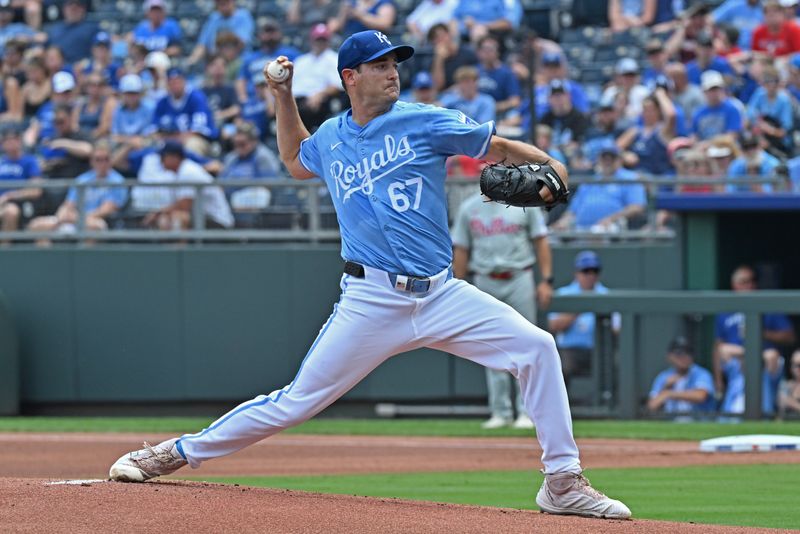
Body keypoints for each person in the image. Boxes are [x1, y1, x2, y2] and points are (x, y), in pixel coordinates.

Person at [109, 30, 631, 521]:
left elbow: (499, 148)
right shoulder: (333, 136)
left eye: (394, 64)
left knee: (537, 347)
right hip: (370, 299)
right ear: (349, 77)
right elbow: (294, 159)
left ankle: (562, 483)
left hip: (441, 293)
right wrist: (283, 95)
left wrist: (553, 164)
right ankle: (169, 454)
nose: (391, 72)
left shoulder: (426, 120)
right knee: (294, 402)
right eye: (378, 65)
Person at [451, 193, 553, 430]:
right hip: (485, 278)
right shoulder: (469, 207)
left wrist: (547, 280)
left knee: (526, 343)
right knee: (491, 345)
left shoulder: (524, 203)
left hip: (519, 276)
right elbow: (462, 249)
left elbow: (541, 240)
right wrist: (458, 285)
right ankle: (500, 411)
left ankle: (526, 412)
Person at [714, 265, 796, 415]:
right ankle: (731, 413)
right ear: (735, 285)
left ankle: (765, 412)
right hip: (736, 361)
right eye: (744, 282)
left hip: (765, 361)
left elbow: (789, 336)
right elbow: (718, 347)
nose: (749, 285)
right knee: (726, 352)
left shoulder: (768, 307)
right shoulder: (725, 311)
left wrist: (761, 333)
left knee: (770, 356)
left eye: (752, 281)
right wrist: (718, 382)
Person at [27, 141, 127, 242]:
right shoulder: (82, 179)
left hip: (96, 221)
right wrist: (61, 217)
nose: (102, 163)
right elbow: (68, 205)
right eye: (98, 160)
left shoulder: (117, 181)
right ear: (91, 161)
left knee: (94, 227)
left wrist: (77, 218)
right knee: (37, 225)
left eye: (106, 159)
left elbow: (105, 210)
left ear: (111, 160)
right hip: (75, 220)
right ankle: (50, 257)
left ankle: (85, 258)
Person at [548, 251, 616, 395]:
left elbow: (617, 329)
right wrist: (580, 307)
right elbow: (553, 326)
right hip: (569, 350)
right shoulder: (564, 293)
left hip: (599, 351)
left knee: (616, 365)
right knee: (561, 366)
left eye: (594, 271)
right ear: (576, 273)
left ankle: (608, 407)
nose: (590, 276)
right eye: (586, 271)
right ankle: (560, 408)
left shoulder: (605, 294)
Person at [131, 139, 233, 231]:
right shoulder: (180, 171)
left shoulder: (188, 171)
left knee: (179, 217)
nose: (161, 161)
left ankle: (179, 251)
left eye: (163, 157)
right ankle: (170, 250)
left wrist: (156, 213)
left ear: (174, 157)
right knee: (166, 218)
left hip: (218, 222)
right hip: (202, 218)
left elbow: (184, 206)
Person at [550, 142, 646, 232]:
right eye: (605, 158)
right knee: (551, 234)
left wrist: (611, 219)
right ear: (599, 160)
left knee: (601, 230)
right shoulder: (590, 181)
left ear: (619, 160)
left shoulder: (629, 178)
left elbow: (636, 207)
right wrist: (561, 223)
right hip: (580, 229)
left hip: (612, 228)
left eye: (611, 158)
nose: (608, 161)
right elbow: (573, 211)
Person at [152, 68, 217, 156]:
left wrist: (177, 139)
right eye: (172, 82)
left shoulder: (196, 98)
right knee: (150, 145)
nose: (175, 85)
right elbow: (155, 128)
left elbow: (198, 130)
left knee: (192, 146)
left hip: (196, 139)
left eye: (178, 81)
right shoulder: (162, 102)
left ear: (184, 82)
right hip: (170, 139)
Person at [290, 24, 343, 133]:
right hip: (298, 100)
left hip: (320, 102)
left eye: (323, 40)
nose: (320, 43)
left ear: (328, 41)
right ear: (311, 40)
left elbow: (337, 85)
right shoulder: (301, 60)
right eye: (318, 39)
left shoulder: (334, 58)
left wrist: (320, 95)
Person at [647, 336, 716, 416]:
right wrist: (665, 388)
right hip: (672, 424)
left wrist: (669, 394)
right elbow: (651, 406)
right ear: (669, 356)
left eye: (688, 353)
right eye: (679, 354)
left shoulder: (701, 374)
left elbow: (700, 396)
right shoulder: (663, 377)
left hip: (698, 423)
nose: (684, 357)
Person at [187, 0, 255, 68]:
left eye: (225, 3)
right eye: (219, 4)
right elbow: (202, 45)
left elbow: (241, 43)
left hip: (239, 61)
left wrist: (223, 59)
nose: (223, 7)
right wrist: (192, 60)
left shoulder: (243, 16)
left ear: (232, 2)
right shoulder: (214, 17)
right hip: (215, 62)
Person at [0, 127, 41, 237]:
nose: (11, 143)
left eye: (14, 139)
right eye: (7, 140)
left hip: (17, 203)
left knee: (11, 212)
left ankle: (5, 251)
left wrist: (10, 196)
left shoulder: (30, 161)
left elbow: (36, 190)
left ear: (20, 141)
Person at [691, 71, 744, 142]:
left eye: (717, 89)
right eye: (711, 90)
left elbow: (732, 136)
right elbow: (694, 137)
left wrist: (709, 144)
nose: (715, 93)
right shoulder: (698, 113)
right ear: (704, 92)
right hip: (704, 150)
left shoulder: (732, 109)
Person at [778, 349, 800, 416]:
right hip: (787, 423)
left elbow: (786, 401)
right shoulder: (785, 385)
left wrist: (792, 403)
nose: (798, 368)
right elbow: (781, 403)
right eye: (796, 365)